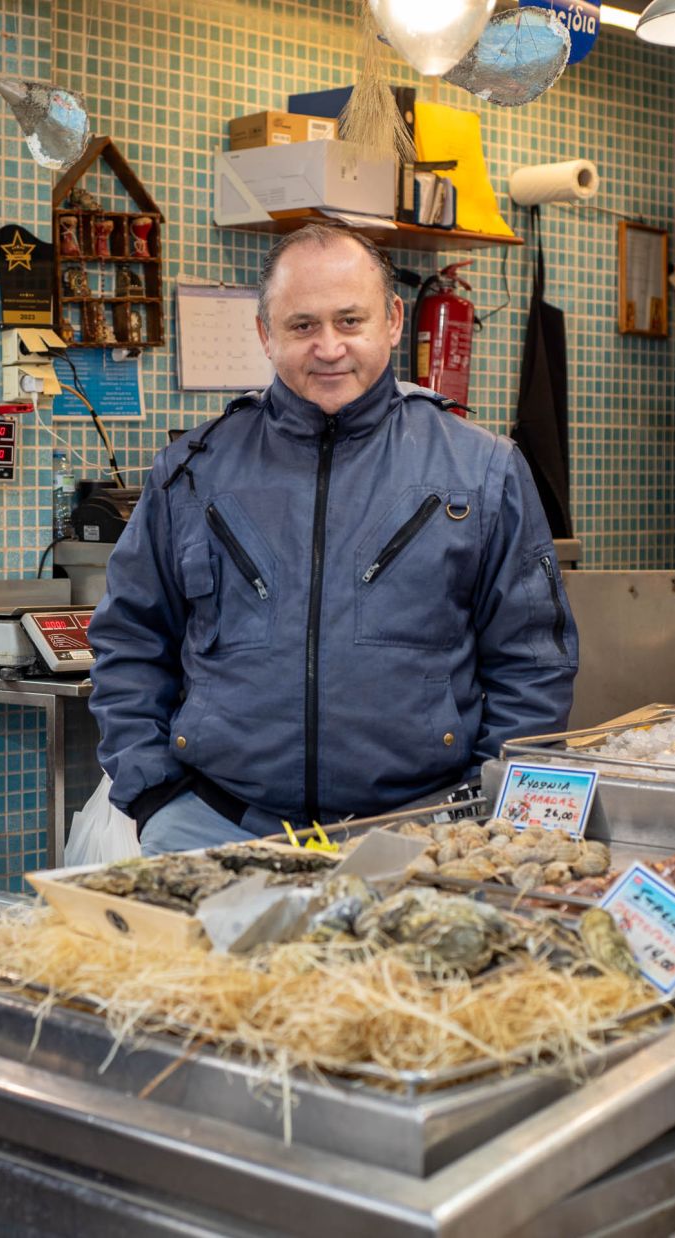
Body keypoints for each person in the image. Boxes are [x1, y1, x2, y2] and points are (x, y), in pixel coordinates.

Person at [87, 222, 578, 855]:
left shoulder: (482, 469)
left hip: (423, 831)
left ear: (393, 321)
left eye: (350, 321)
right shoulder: (191, 471)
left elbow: (533, 663)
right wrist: (155, 796)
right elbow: (129, 639)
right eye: (302, 326)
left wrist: (484, 807)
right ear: (265, 333)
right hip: (214, 826)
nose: (329, 348)